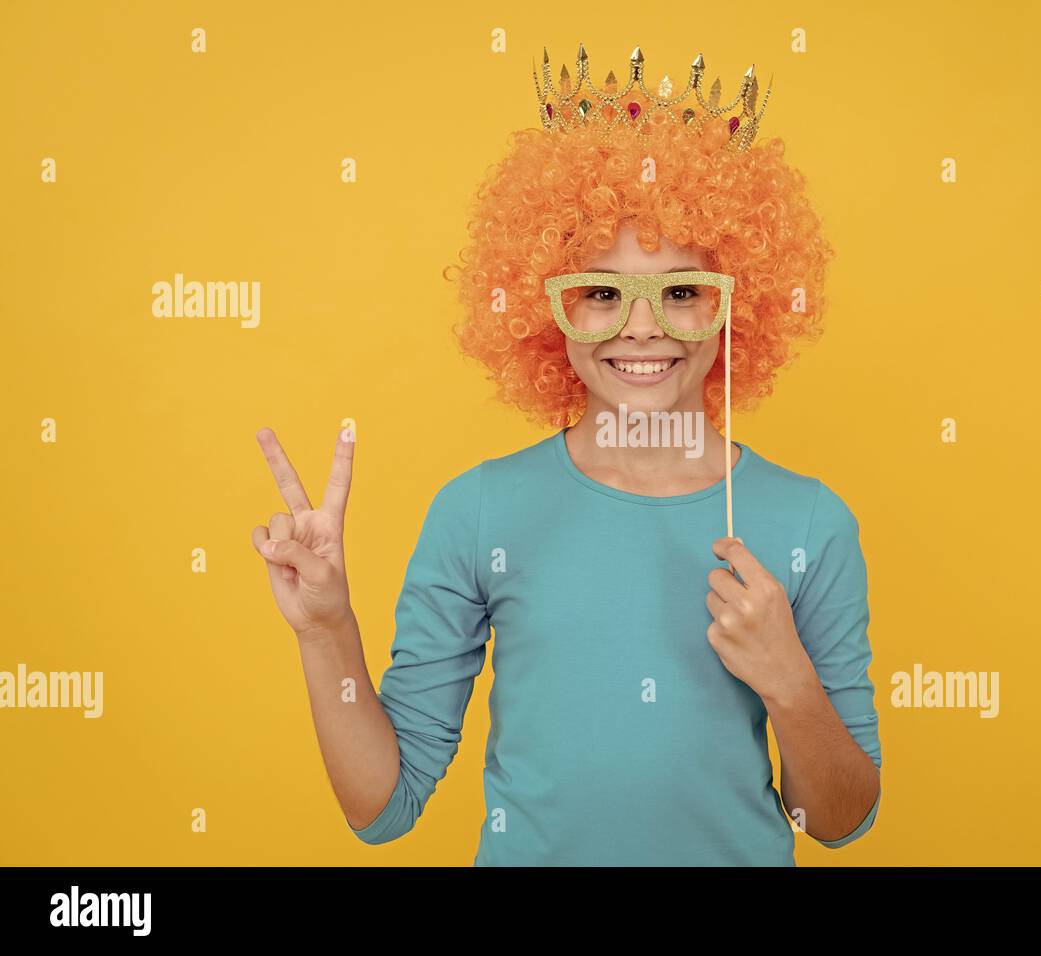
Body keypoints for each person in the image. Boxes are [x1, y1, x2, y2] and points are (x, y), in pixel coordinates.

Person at [251, 45, 883, 865]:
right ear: (550, 308)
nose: (643, 326)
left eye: (683, 291)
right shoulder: (480, 512)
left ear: (736, 307)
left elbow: (837, 820)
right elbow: (384, 806)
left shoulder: (808, 521)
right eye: (601, 292)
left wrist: (789, 680)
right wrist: (327, 630)